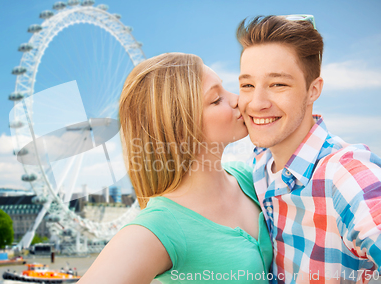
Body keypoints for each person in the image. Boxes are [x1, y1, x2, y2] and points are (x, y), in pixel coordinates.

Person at [78, 53, 272, 284]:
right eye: (216, 99)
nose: (238, 99)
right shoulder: (158, 228)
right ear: (179, 128)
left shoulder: (251, 178)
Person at [237, 15, 381, 283]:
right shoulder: (258, 166)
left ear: (313, 90)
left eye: (278, 84)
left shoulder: (343, 173)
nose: (256, 103)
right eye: (247, 85)